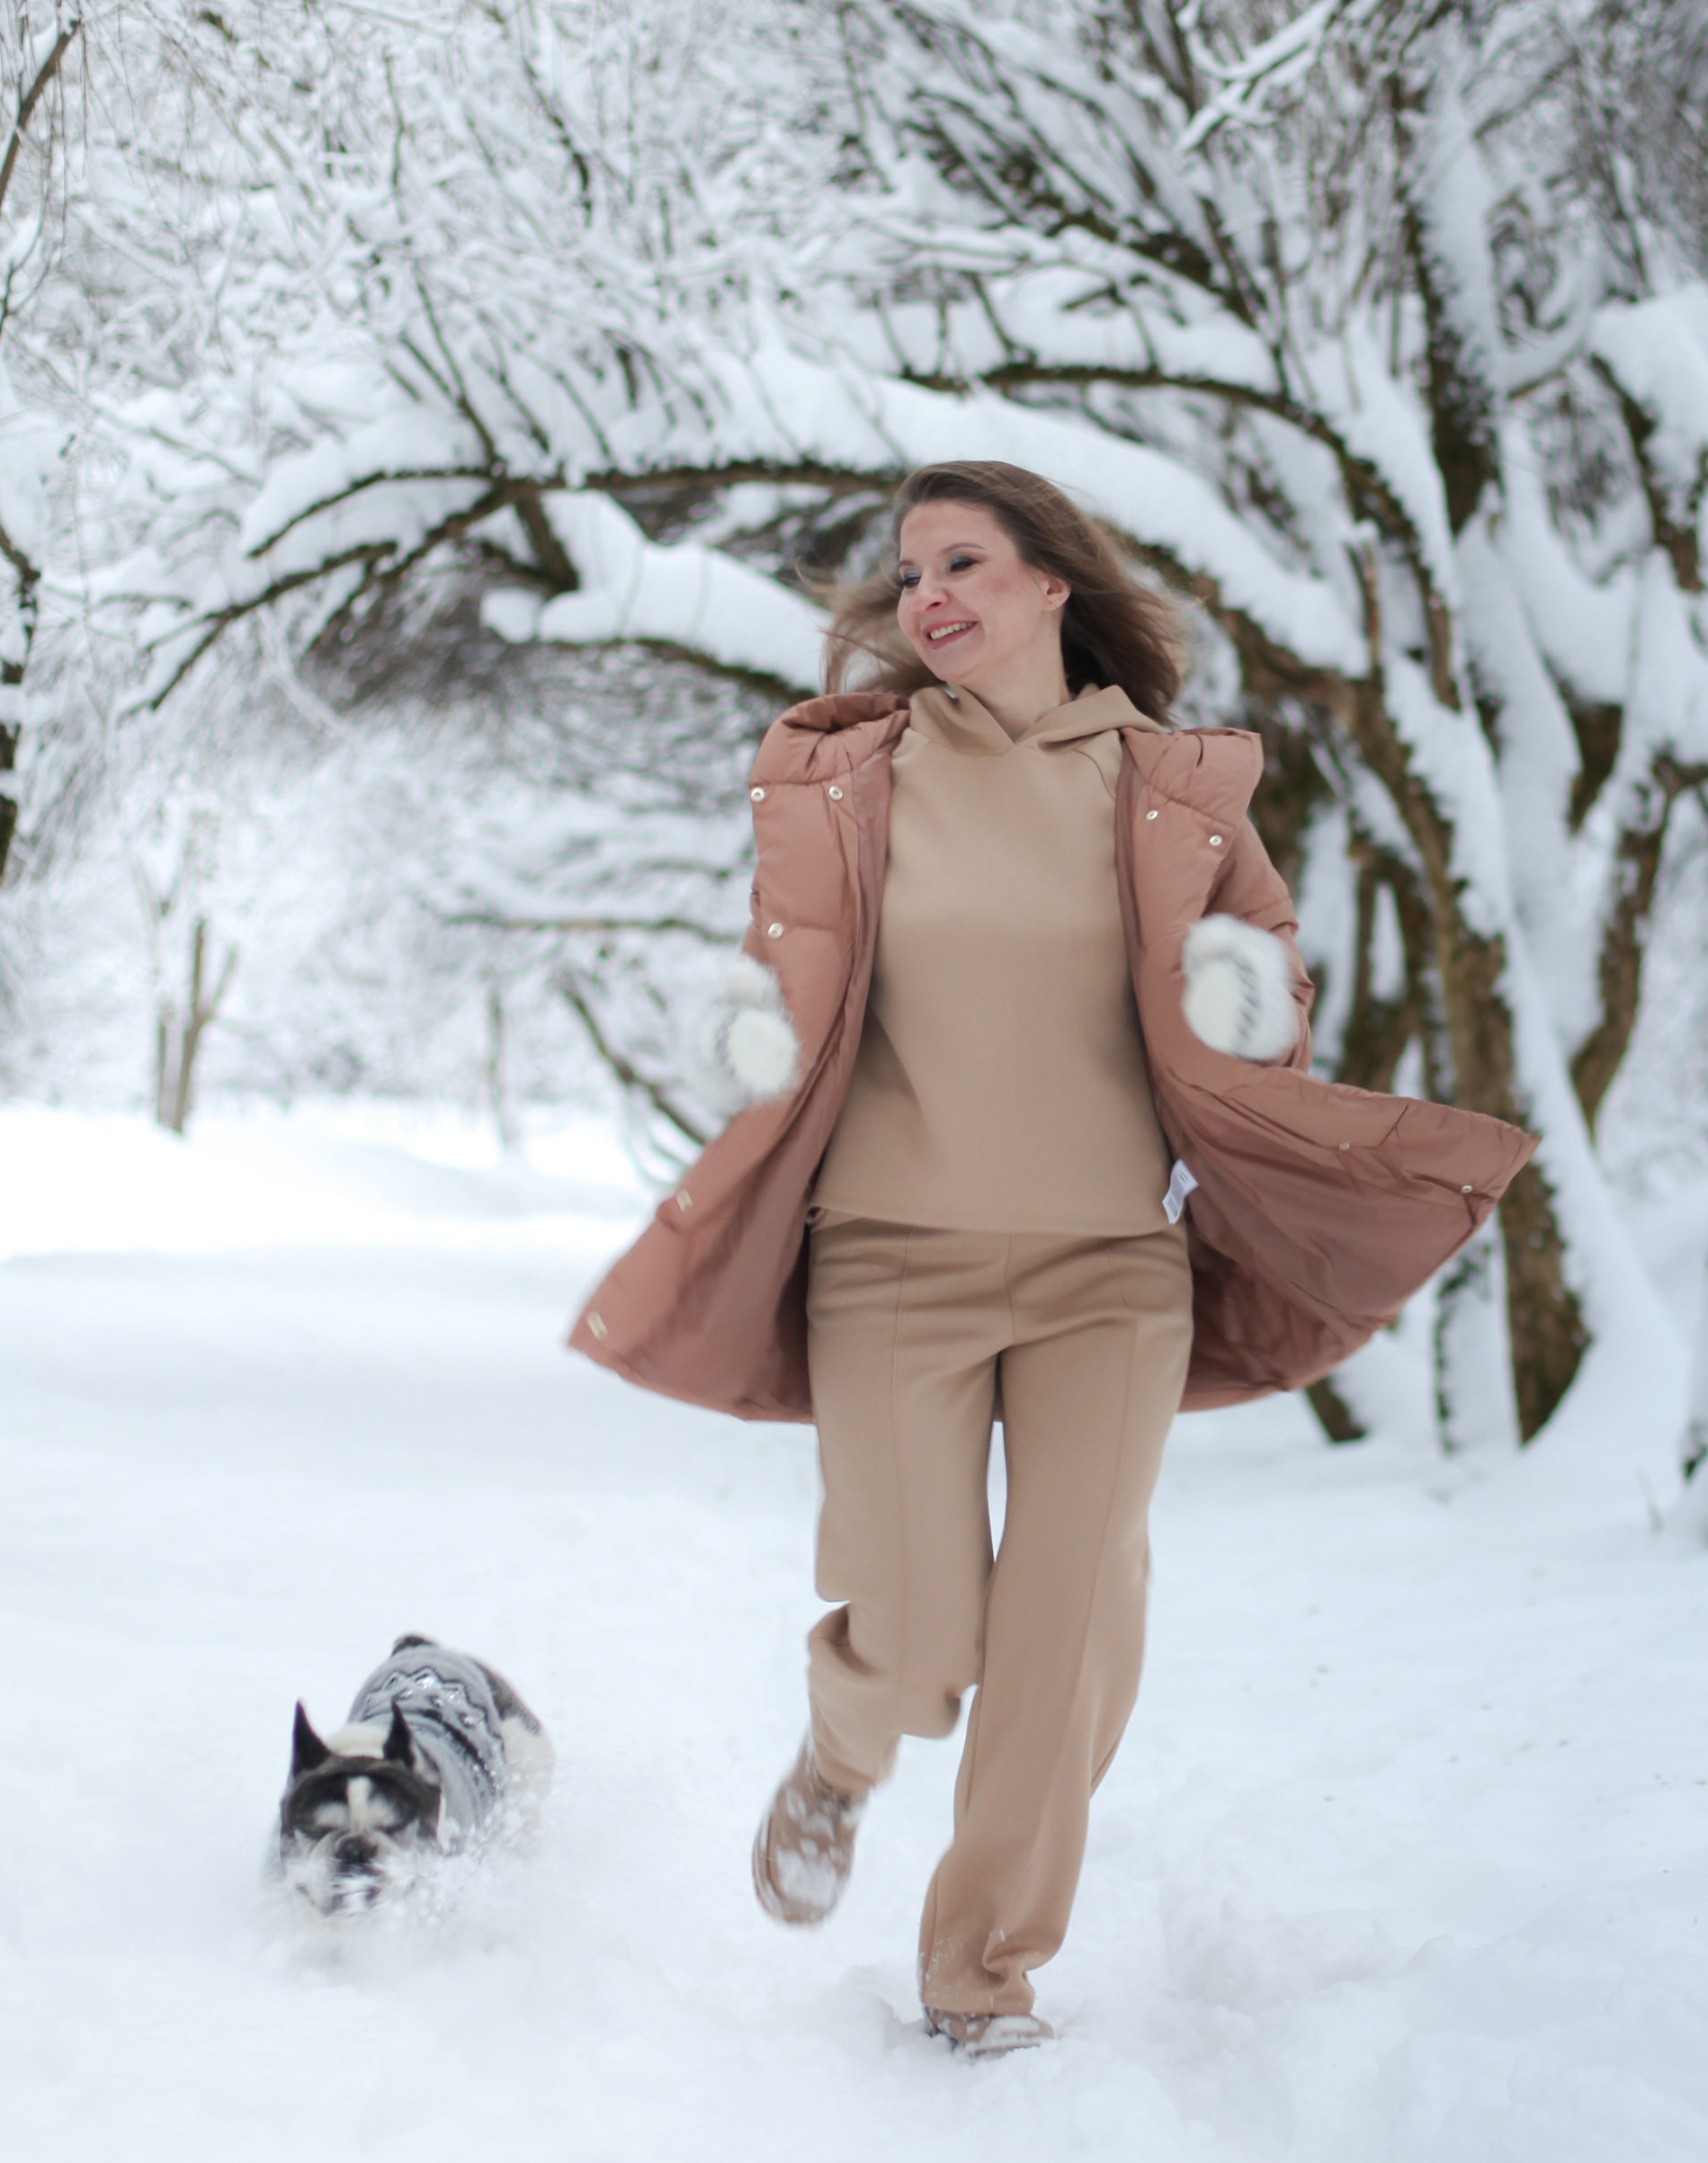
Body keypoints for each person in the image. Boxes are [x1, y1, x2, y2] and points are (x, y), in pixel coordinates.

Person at [569, 461, 1535, 2055]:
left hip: (1109, 1270)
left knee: (1069, 1628)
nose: (928, 594)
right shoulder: (856, 775)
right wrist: (751, 1028)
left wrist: (1244, 995)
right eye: (909, 572)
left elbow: (1265, 971)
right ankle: (842, 1750)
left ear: (1051, 586)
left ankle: (981, 1970)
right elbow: (792, 959)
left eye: (964, 561)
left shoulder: (1165, 786)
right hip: (890, 1255)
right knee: (918, 1614)